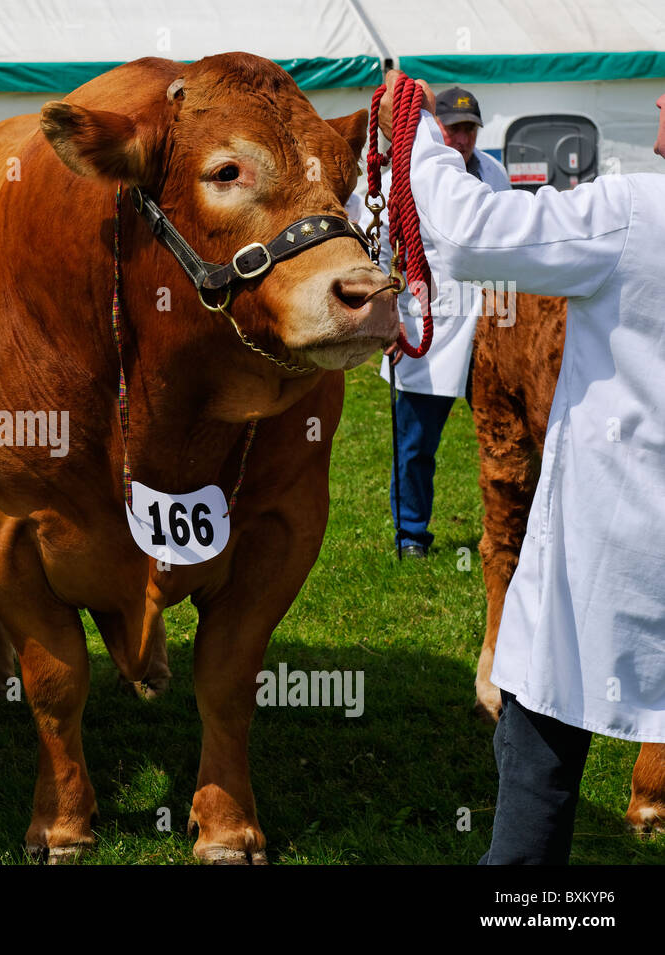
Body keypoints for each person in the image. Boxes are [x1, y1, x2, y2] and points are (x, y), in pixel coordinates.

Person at [378, 71, 665, 863]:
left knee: (536, 772)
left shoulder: (637, 212)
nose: (660, 102)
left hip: (605, 558)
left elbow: (473, 234)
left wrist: (422, 133)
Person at [366, 86, 511, 559]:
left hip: (488, 324)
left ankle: (514, 527)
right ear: (436, 127)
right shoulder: (398, 180)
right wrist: (388, 321)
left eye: (471, 128)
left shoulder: (493, 172)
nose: (464, 138)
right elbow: (381, 257)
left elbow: (504, 243)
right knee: (415, 444)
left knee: (505, 436)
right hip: (427, 323)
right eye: (455, 128)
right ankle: (412, 535)